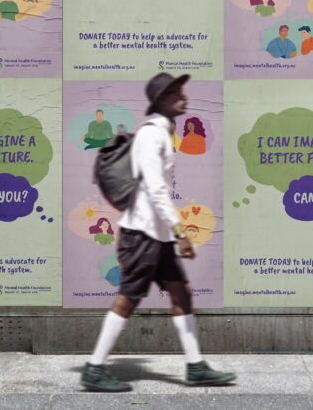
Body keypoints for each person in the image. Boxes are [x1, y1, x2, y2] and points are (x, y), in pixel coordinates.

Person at [81, 72, 236, 392]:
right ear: (162, 100)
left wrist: (172, 233)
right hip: (142, 234)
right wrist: (180, 231)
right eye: (177, 92)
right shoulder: (153, 135)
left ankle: (195, 367)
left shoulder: (164, 133)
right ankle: (94, 368)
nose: (184, 96)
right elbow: (155, 189)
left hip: (158, 235)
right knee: (127, 299)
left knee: (181, 293)